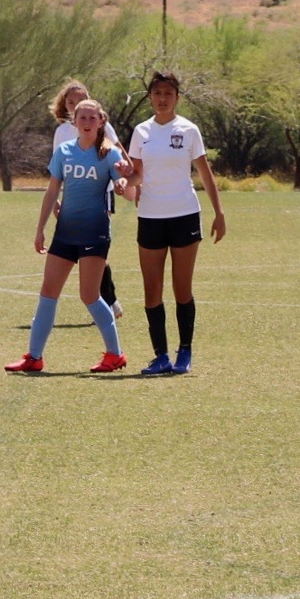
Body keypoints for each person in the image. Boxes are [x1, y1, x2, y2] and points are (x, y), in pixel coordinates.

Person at [6, 98, 130, 374]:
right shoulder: (64, 151)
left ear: (101, 122)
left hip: (94, 233)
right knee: (48, 293)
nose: (87, 123)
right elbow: (52, 191)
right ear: (74, 122)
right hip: (65, 234)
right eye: (82, 118)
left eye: (92, 118)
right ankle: (34, 357)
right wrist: (40, 230)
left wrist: (122, 181)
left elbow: (122, 183)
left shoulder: (109, 153)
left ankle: (115, 354)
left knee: (89, 295)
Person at [123, 72, 227, 376]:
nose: (162, 98)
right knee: (151, 289)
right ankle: (160, 356)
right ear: (150, 96)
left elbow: (205, 174)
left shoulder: (189, 130)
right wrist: (124, 183)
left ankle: (185, 351)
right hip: (151, 217)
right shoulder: (141, 132)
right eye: (157, 92)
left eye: (168, 93)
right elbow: (136, 175)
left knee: (182, 287)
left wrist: (219, 213)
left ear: (177, 97)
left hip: (184, 214)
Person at [50, 80, 123, 319]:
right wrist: (57, 200)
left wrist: (127, 178)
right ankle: (109, 301)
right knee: (85, 250)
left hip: (101, 192)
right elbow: (58, 171)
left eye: (80, 100)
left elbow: (117, 154)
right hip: (73, 198)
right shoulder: (62, 132)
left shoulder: (102, 126)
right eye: (71, 102)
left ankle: (108, 302)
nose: (75, 106)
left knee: (93, 247)